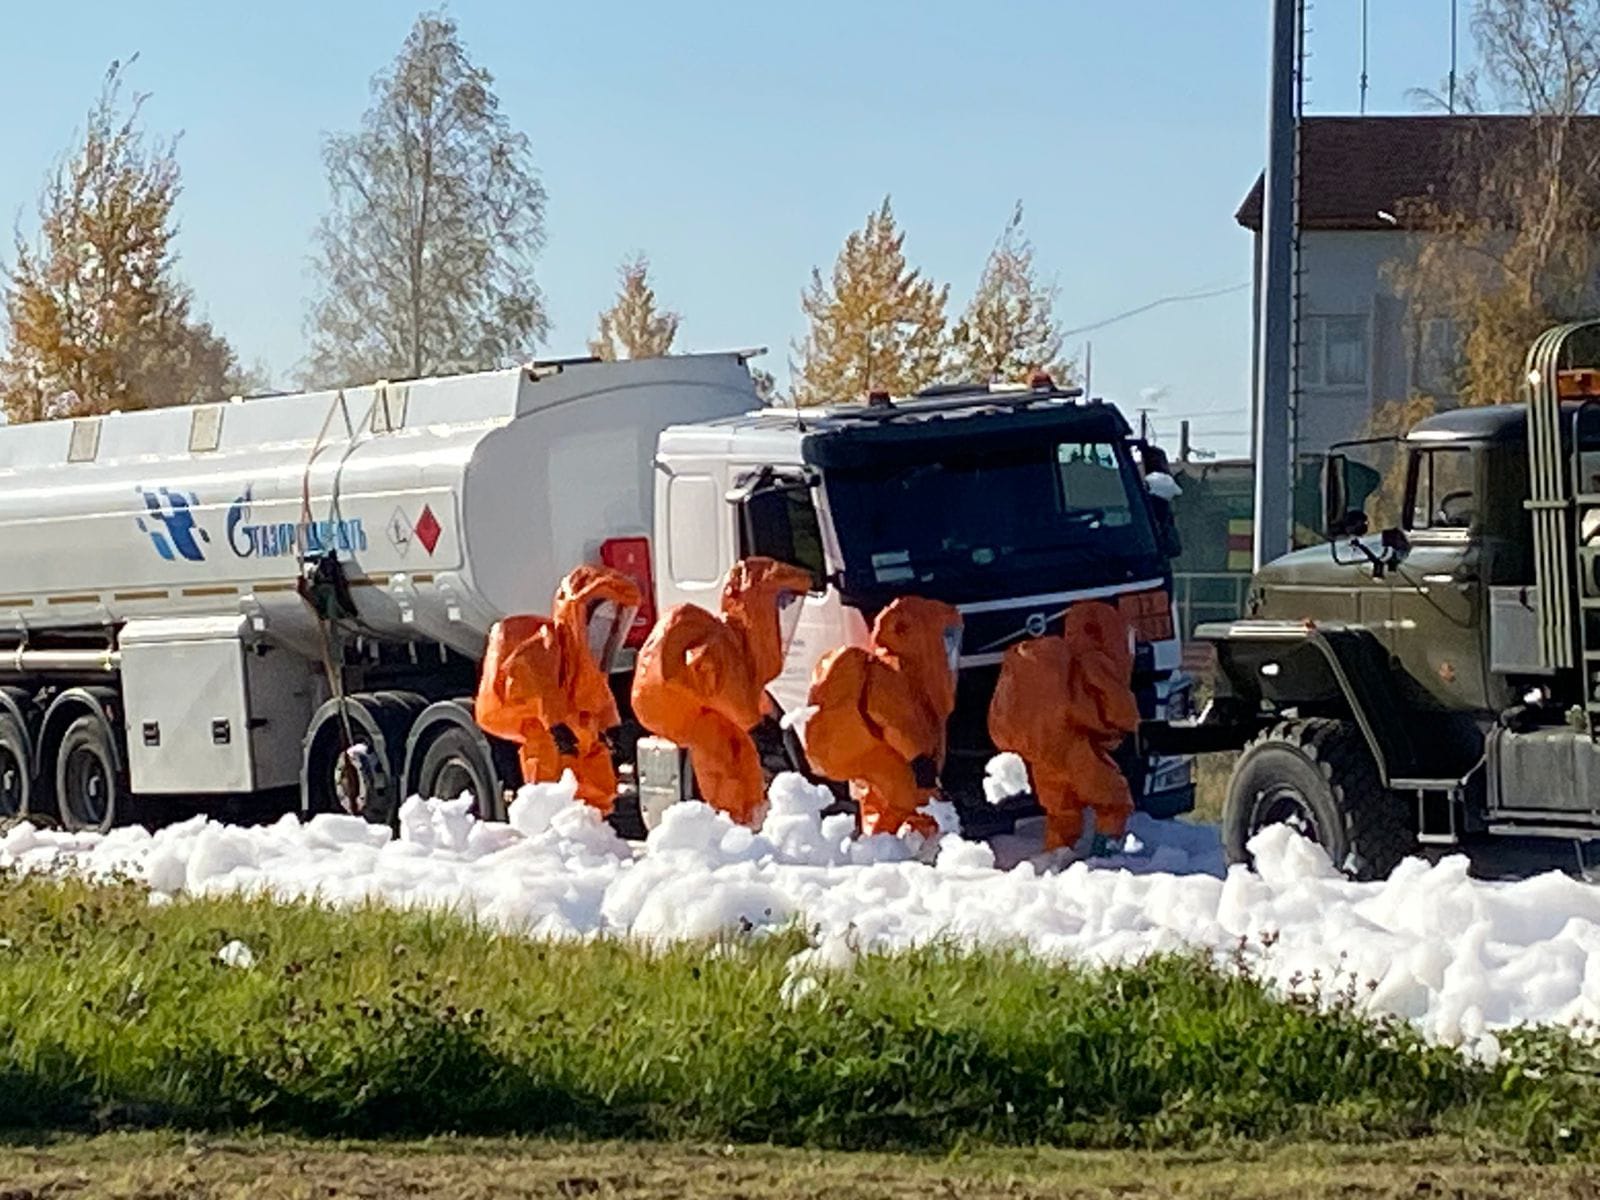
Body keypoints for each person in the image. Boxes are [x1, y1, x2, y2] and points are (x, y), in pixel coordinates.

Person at [631, 557, 815, 825]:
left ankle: (747, 816)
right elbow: (726, 687)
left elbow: (742, 693)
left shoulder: (732, 645)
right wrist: (756, 727)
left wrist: (757, 724)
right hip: (677, 707)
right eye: (781, 604)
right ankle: (734, 821)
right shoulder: (722, 648)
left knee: (736, 748)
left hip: (682, 703)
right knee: (723, 756)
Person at [475, 564, 643, 814]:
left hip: (579, 730)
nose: (601, 629)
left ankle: (589, 832)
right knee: (551, 794)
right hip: (547, 735)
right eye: (598, 619)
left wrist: (613, 728)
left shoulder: (587, 661)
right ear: (577, 613)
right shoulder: (542, 648)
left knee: (598, 791)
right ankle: (552, 842)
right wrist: (555, 726)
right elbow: (539, 688)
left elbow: (599, 694)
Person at [803, 596, 964, 837]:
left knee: (890, 807)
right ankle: (890, 853)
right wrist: (918, 759)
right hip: (897, 766)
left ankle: (890, 850)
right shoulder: (892, 673)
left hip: (890, 763)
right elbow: (893, 720)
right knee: (901, 806)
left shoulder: (904, 670)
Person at [988, 600, 1140, 852]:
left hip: (1040, 755)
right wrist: (1128, 727)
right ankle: (1106, 851)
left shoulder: (1048, 660)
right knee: (1113, 801)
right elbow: (1119, 708)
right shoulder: (1093, 662)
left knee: (1061, 811)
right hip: (1075, 749)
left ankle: (1057, 856)